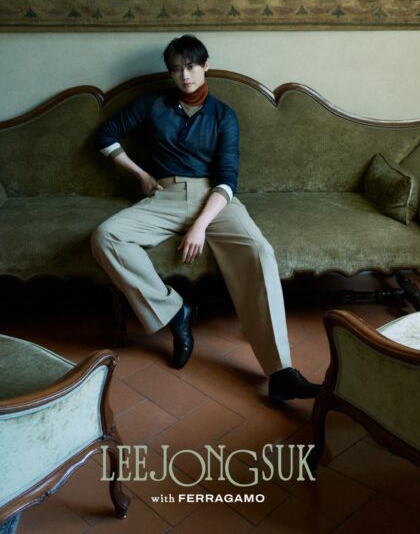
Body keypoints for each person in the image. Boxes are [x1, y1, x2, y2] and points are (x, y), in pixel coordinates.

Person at [91, 35, 320, 402]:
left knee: (260, 251)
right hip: (164, 195)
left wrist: (200, 225)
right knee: (105, 236)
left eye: (191, 66)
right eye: (176, 69)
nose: (185, 75)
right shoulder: (153, 104)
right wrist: (141, 175)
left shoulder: (223, 115)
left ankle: (281, 373)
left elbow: (227, 179)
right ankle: (175, 311)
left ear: (205, 65)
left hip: (214, 199)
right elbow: (105, 136)